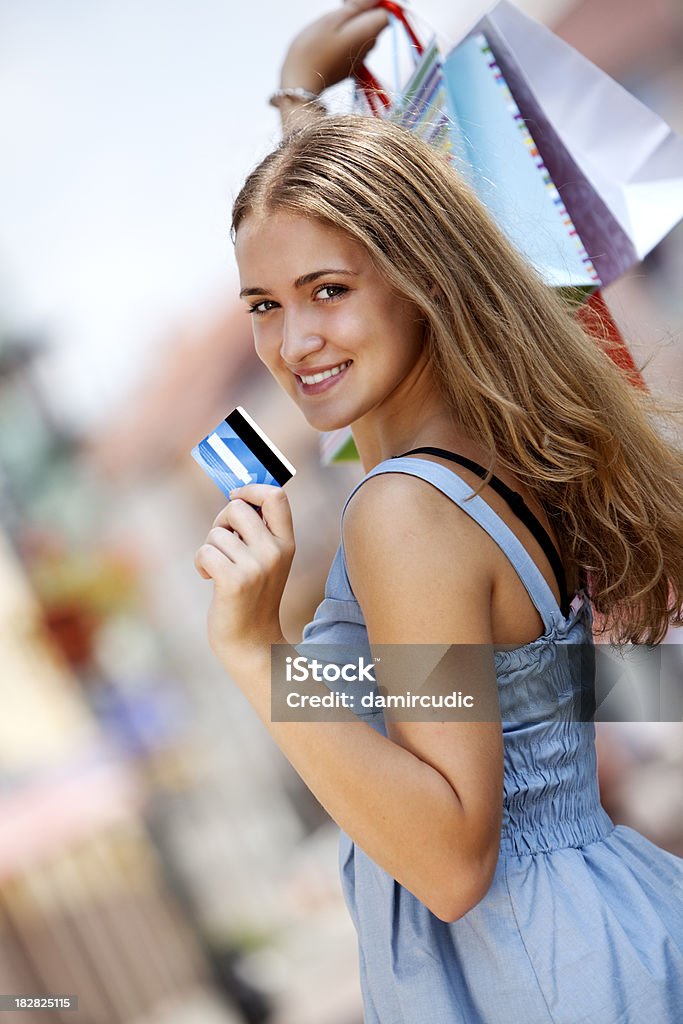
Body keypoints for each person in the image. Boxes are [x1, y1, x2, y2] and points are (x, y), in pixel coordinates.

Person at [194, 2, 683, 1021]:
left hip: (544, 981)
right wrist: (297, 103)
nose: (291, 342)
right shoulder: (465, 457)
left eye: (323, 290)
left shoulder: (403, 514)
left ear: (418, 280)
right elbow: (371, 291)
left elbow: (453, 856)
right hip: (591, 934)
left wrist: (257, 653)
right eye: (263, 305)